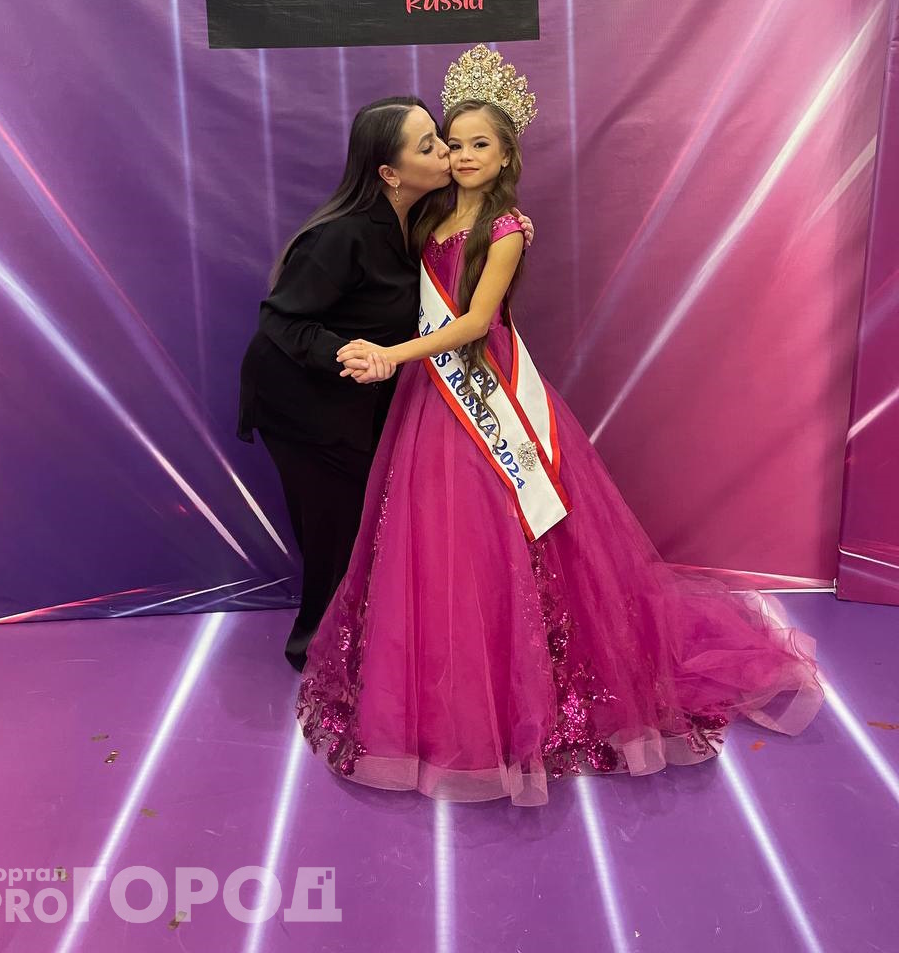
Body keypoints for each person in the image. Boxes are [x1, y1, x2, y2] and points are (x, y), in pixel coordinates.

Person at [295, 45, 823, 806]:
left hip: (485, 381)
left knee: (507, 524)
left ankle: (519, 683)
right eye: (453, 142)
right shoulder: (434, 211)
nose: (463, 155)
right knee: (435, 533)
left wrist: (390, 354)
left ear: (506, 153)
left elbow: (473, 322)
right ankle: (443, 675)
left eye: (480, 144)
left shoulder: (506, 227)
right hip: (431, 394)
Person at [237, 95, 533, 672]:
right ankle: (315, 652)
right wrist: (352, 357)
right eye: (431, 146)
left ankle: (357, 641)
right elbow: (280, 320)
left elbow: (472, 244)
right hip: (300, 404)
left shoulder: (419, 219)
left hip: (359, 397)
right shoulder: (343, 235)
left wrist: (512, 225)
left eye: (443, 138)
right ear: (390, 173)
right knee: (334, 533)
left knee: (364, 526)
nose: (448, 152)